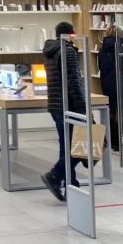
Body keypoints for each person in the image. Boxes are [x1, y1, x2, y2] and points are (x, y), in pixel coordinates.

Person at [41, 21, 84, 202]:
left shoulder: (50, 52)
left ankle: (70, 184)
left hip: (55, 104)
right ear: (70, 34)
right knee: (81, 146)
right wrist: (83, 108)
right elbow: (73, 82)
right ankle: (55, 175)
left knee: (66, 145)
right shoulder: (68, 52)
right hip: (69, 105)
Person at [98, 24, 123, 152]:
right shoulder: (122, 49)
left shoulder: (102, 50)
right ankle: (117, 143)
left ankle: (110, 140)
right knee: (119, 115)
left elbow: (100, 67)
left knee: (111, 113)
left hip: (106, 85)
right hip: (119, 84)